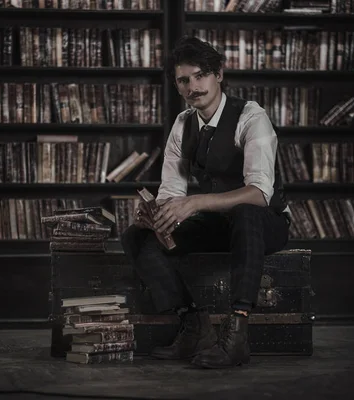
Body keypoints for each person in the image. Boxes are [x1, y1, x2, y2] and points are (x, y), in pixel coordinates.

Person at [120, 36, 290, 369]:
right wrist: (156, 214)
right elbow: (171, 191)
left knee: (247, 212)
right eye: (183, 80)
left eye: (200, 76)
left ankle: (237, 332)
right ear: (177, 85)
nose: (192, 86)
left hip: (264, 224)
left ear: (218, 75)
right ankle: (193, 324)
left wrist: (194, 204)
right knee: (137, 237)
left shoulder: (251, 117)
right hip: (219, 225)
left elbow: (260, 193)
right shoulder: (183, 125)